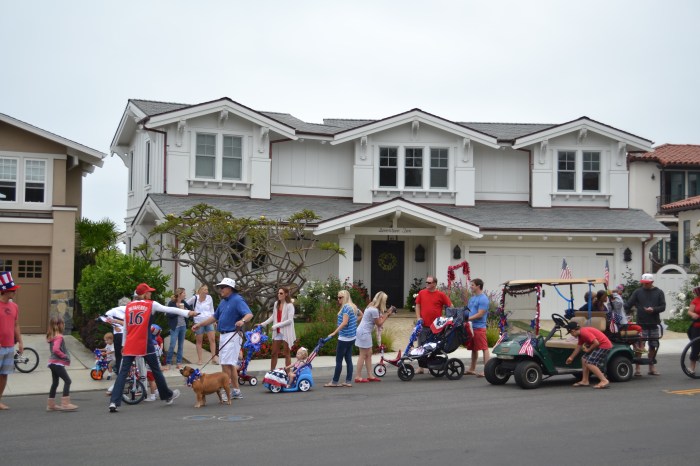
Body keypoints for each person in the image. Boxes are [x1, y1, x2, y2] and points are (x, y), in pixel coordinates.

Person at [108, 283, 197, 413]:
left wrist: (123, 344)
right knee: (156, 370)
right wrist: (188, 313)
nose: (150, 293)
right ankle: (167, 395)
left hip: (130, 344)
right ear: (144, 294)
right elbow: (169, 309)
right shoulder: (150, 304)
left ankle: (114, 402)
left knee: (123, 373)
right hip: (145, 343)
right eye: (149, 292)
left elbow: (126, 328)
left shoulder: (129, 306)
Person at [192, 278, 252, 400]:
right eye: (220, 287)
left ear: (230, 288)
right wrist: (200, 324)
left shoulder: (237, 299)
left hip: (233, 334)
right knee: (229, 364)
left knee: (225, 364)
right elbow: (215, 317)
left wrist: (242, 321)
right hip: (224, 335)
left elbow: (249, 314)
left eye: (223, 287)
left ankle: (225, 390)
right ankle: (236, 391)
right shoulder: (223, 302)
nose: (220, 290)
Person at [625, 273, 666, 376]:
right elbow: (629, 304)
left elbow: (663, 306)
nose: (645, 285)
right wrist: (622, 311)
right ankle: (637, 368)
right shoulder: (638, 292)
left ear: (652, 282)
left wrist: (654, 309)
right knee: (640, 346)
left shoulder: (659, 292)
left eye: (647, 283)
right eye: (644, 283)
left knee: (653, 346)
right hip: (641, 324)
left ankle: (651, 367)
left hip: (654, 323)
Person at [414, 275, 452, 373]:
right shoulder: (422, 293)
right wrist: (418, 317)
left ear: (434, 284)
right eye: (426, 282)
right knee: (421, 346)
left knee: (433, 347)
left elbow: (450, 306)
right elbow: (417, 305)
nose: (427, 284)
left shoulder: (441, 295)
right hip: (423, 325)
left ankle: (433, 364)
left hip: (436, 327)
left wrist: (446, 318)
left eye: (429, 282)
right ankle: (421, 367)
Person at [354, 291, 394, 383]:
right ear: (381, 300)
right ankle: (358, 377)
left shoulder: (371, 305)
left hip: (363, 331)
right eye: (385, 300)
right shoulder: (374, 310)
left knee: (369, 353)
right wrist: (387, 314)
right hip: (364, 332)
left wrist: (385, 314)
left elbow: (378, 319)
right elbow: (379, 323)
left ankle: (370, 375)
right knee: (363, 354)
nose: (386, 302)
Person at [325, 289, 358, 387]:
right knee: (348, 359)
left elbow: (344, 323)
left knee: (339, 360)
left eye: (340, 297)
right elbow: (361, 315)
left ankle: (334, 382)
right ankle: (348, 381)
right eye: (338, 297)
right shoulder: (353, 306)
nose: (338, 299)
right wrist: (353, 322)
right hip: (351, 337)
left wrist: (334, 332)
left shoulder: (346, 307)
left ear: (345, 297)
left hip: (344, 338)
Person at [564, 321, 612, 389]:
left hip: (604, 345)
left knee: (589, 362)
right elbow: (579, 347)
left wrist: (588, 350)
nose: (571, 335)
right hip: (599, 346)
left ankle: (604, 380)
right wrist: (571, 357)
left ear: (573, 331)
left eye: (570, 333)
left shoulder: (584, 333)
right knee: (584, 359)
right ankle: (585, 380)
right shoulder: (580, 335)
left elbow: (596, 343)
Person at [0, 271, 23, 410]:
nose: (15, 292)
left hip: (9, 346)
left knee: (4, 375)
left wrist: (20, 342)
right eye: (12, 290)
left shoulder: (14, 306)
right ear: (4, 290)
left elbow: (16, 325)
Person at [46, 315, 78, 411]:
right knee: (68, 381)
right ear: (59, 325)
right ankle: (65, 404)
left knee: (55, 383)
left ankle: (51, 405)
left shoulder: (52, 336)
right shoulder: (59, 337)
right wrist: (64, 356)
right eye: (63, 323)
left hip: (52, 363)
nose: (64, 325)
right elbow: (56, 349)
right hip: (57, 363)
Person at [260, 286, 296, 371]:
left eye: (281, 293)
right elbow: (273, 316)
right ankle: (272, 372)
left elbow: (290, 320)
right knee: (273, 353)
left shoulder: (290, 305)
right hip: (278, 332)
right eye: (278, 293)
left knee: (286, 354)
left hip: (286, 332)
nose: (279, 294)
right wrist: (263, 324)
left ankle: (288, 373)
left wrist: (276, 325)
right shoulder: (276, 303)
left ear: (286, 294)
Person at [186, 284, 218, 365]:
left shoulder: (209, 298)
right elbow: (186, 304)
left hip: (208, 321)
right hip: (198, 322)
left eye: (207, 290)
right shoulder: (195, 298)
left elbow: (211, 309)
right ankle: (200, 359)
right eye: (204, 289)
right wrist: (190, 312)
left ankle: (214, 358)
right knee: (199, 341)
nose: (206, 291)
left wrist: (214, 320)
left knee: (212, 339)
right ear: (200, 290)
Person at [465, 278, 490, 377]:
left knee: (484, 348)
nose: (471, 287)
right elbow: (468, 311)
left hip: (479, 327)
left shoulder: (483, 299)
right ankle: (472, 369)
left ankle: (487, 371)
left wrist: (468, 319)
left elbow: (480, 314)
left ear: (478, 286)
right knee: (474, 348)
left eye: (472, 285)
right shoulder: (472, 298)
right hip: (471, 326)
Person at [164, 287, 192, 371]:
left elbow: (191, 310)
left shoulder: (183, 302)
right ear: (179, 294)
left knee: (181, 345)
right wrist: (178, 310)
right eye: (184, 293)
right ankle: (168, 363)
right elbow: (168, 315)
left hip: (183, 325)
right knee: (172, 344)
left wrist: (186, 310)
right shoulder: (171, 303)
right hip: (175, 326)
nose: (185, 294)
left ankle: (179, 363)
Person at [144, 324, 164, 402]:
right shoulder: (157, 345)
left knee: (151, 380)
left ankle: (152, 396)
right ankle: (156, 391)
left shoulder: (149, 344)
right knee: (155, 379)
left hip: (150, 364)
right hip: (157, 363)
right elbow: (160, 353)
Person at [686, 286, 700, 375]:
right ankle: (692, 368)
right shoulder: (695, 300)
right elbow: (689, 311)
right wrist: (693, 314)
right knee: (695, 347)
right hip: (697, 327)